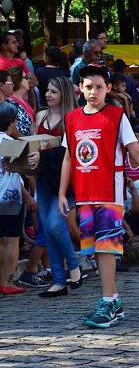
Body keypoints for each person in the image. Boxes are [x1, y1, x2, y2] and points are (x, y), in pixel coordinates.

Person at [58, 64, 139, 328]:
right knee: (96, 250)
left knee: (107, 247)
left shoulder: (116, 116)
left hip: (110, 193)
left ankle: (108, 301)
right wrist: (62, 193)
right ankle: (113, 299)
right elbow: (68, 157)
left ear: (108, 89)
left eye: (99, 87)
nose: (93, 92)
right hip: (85, 195)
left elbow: (136, 152)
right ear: (80, 88)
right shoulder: (72, 118)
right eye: (88, 86)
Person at [24, 76, 81, 297]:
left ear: (64, 94)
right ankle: (59, 281)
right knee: (47, 229)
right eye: (47, 90)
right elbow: (32, 144)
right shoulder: (40, 115)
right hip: (44, 180)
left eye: (54, 92)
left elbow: (70, 153)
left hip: (66, 181)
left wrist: (42, 157)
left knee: (56, 225)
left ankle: (74, 265)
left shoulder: (72, 118)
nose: (48, 95)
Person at [0, 103, 31, 295]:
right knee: (11, 240)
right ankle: (8, 281)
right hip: (9, 197)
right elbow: (15, 176)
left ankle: (1, 280)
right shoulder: (9, 144)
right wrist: (28, 197)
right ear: (11, 122)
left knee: (0, 240)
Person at [5, 67, 35, 136]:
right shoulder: (10, 102)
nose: (28, 80)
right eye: (26, 78)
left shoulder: (24, 99)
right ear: (18, 80)